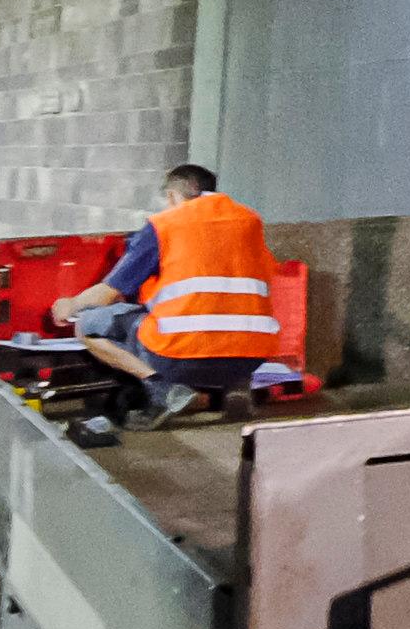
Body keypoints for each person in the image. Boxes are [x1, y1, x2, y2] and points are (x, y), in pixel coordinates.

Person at [57, 162, 312, 431]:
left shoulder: (165, 225)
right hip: (252, 357)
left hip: (181, 357)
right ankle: (235, 388)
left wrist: (69, 305)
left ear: (172, 196)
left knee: (87, 326)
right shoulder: (249, 222)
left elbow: (108, 294)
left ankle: (164, 391)